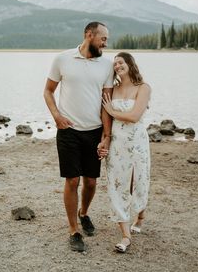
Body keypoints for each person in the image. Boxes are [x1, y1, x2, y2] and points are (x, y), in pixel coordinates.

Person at [43, 22, 113, 252]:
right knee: (72, 180)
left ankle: (84, 213)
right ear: (89, 34)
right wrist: (56, 116)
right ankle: (73, 230)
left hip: (93, 131)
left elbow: (106, 103)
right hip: (68, 131)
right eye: (103, 38)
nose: (105, 43)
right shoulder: (62, 59)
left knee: (91, 181)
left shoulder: (107, 64)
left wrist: (106, 134)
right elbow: (48, 91)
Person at [101, 52, 151, 253]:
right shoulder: (111, 90)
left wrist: (113, 112)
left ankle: (140, 216)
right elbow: (105, 117)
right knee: (117, 183)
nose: (117, 66)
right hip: (117, 143)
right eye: (114, 64)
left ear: (130, 63)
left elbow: (135, 115)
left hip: (138, 141)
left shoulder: (143, 88)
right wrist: (105, 139)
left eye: (121, 62)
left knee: (139, 180)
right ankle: (125, 235)